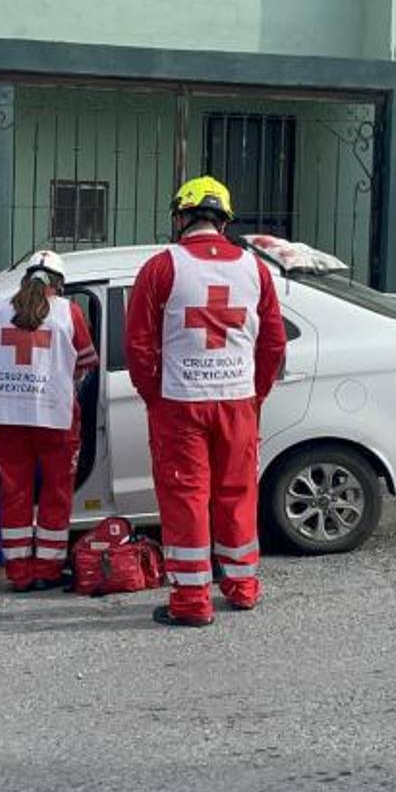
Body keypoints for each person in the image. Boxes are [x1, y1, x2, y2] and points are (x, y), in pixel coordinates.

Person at [125, 176, 287, 627]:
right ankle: (242, 588)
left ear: (182, 217)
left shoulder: (161, 266)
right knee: (237, 494)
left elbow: (138, 345)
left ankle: (192, 602)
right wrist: (255, 394)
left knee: (186, 498)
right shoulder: (256, 270)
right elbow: (273, 343)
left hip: (180, 403)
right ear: (224, 220)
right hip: (237, 400)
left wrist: (154, 395)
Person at [0, 250, 98, 592]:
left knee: (14, 491)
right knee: (56, 493)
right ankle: (47, 568)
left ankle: (18, 571)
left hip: (7, 418)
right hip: (55, 417)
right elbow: (87, 361)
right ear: (59, 284)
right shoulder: (69, 312)